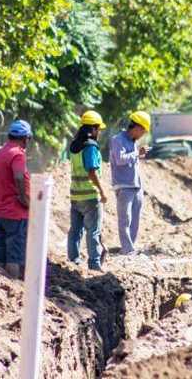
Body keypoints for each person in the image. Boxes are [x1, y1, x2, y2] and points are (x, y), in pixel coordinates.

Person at [0, 120, 32, 279]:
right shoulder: (17, 154)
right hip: (16, 215)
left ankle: (1, 290)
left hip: (0, 214)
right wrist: (24, 199)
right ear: (25, 138)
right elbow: (18, 176)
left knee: (1, 256)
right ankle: (14, 288)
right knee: (14, 258)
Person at [67, 110, 109, 271]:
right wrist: (103, 192)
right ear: (93, 129)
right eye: (98, 129)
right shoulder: (90, 147)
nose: (99, 132)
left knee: (75, 230)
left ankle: (73, 260)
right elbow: (91, 171)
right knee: (93, 230)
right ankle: (94, 263)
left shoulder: (74, 146)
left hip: (76, 195)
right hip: (90, 196)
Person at [110, 111, 151, 255]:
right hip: (124, 185)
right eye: (143, 131)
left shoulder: (133, 142)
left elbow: (132, 160)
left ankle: (130, 247)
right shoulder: (118, 140)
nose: (143, 135)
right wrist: (136, 154)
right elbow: (120, 160)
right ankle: (127, 249)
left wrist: (138, 154)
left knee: (135, 218)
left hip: (135, 185)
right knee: (125, 219)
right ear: (137, 127)